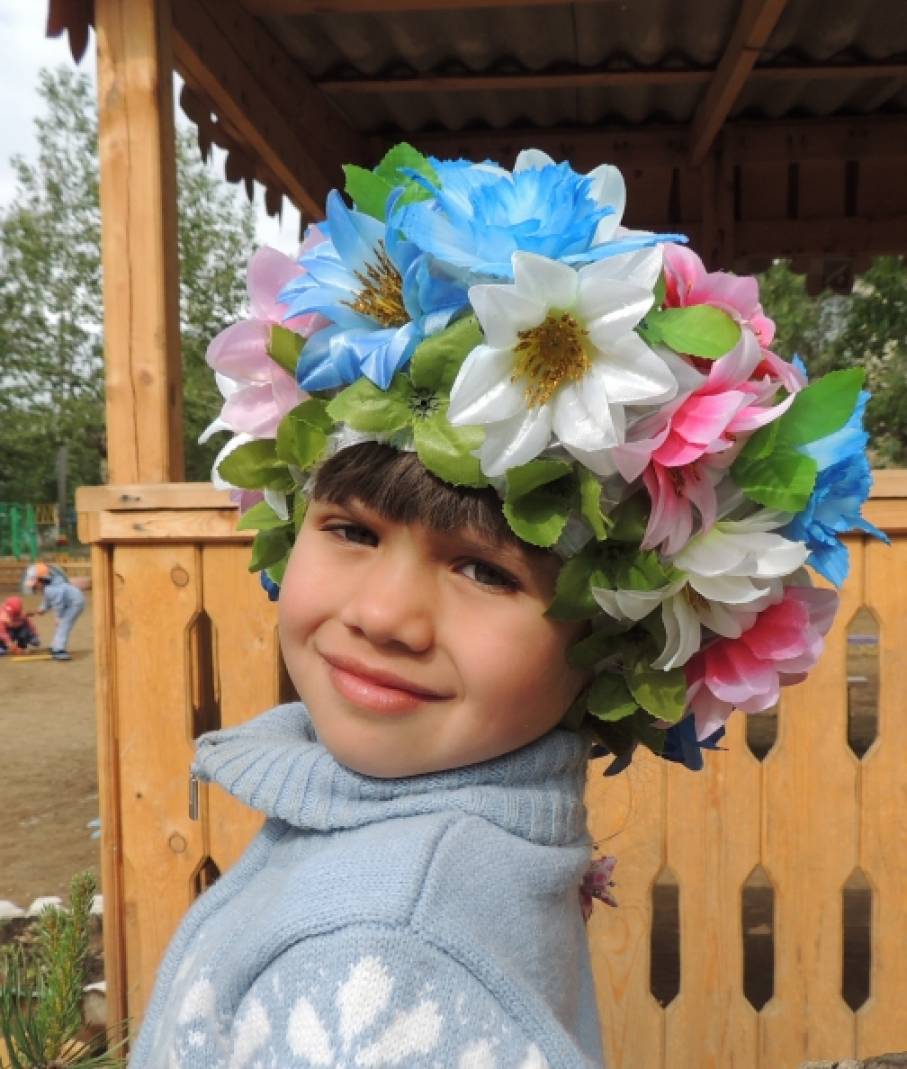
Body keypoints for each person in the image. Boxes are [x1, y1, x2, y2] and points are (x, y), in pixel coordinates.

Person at [127, 146, 880, 1068]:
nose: (384, 615)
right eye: (352, 532)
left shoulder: (380, 962)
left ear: (617, 642)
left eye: (485, 571)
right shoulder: (426, 854)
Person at [26, 561, 85, 662]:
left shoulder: (52, 589)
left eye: (35, 586)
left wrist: (58, 617)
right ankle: (56, 646)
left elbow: (58, 604)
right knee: (61, 625)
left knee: (63, 625)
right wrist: (41, 610)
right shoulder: (49, 587)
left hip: (75, 604)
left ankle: (59, 650)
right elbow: (47, 601)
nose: (35, 588)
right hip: (69, 602)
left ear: (41, 580)